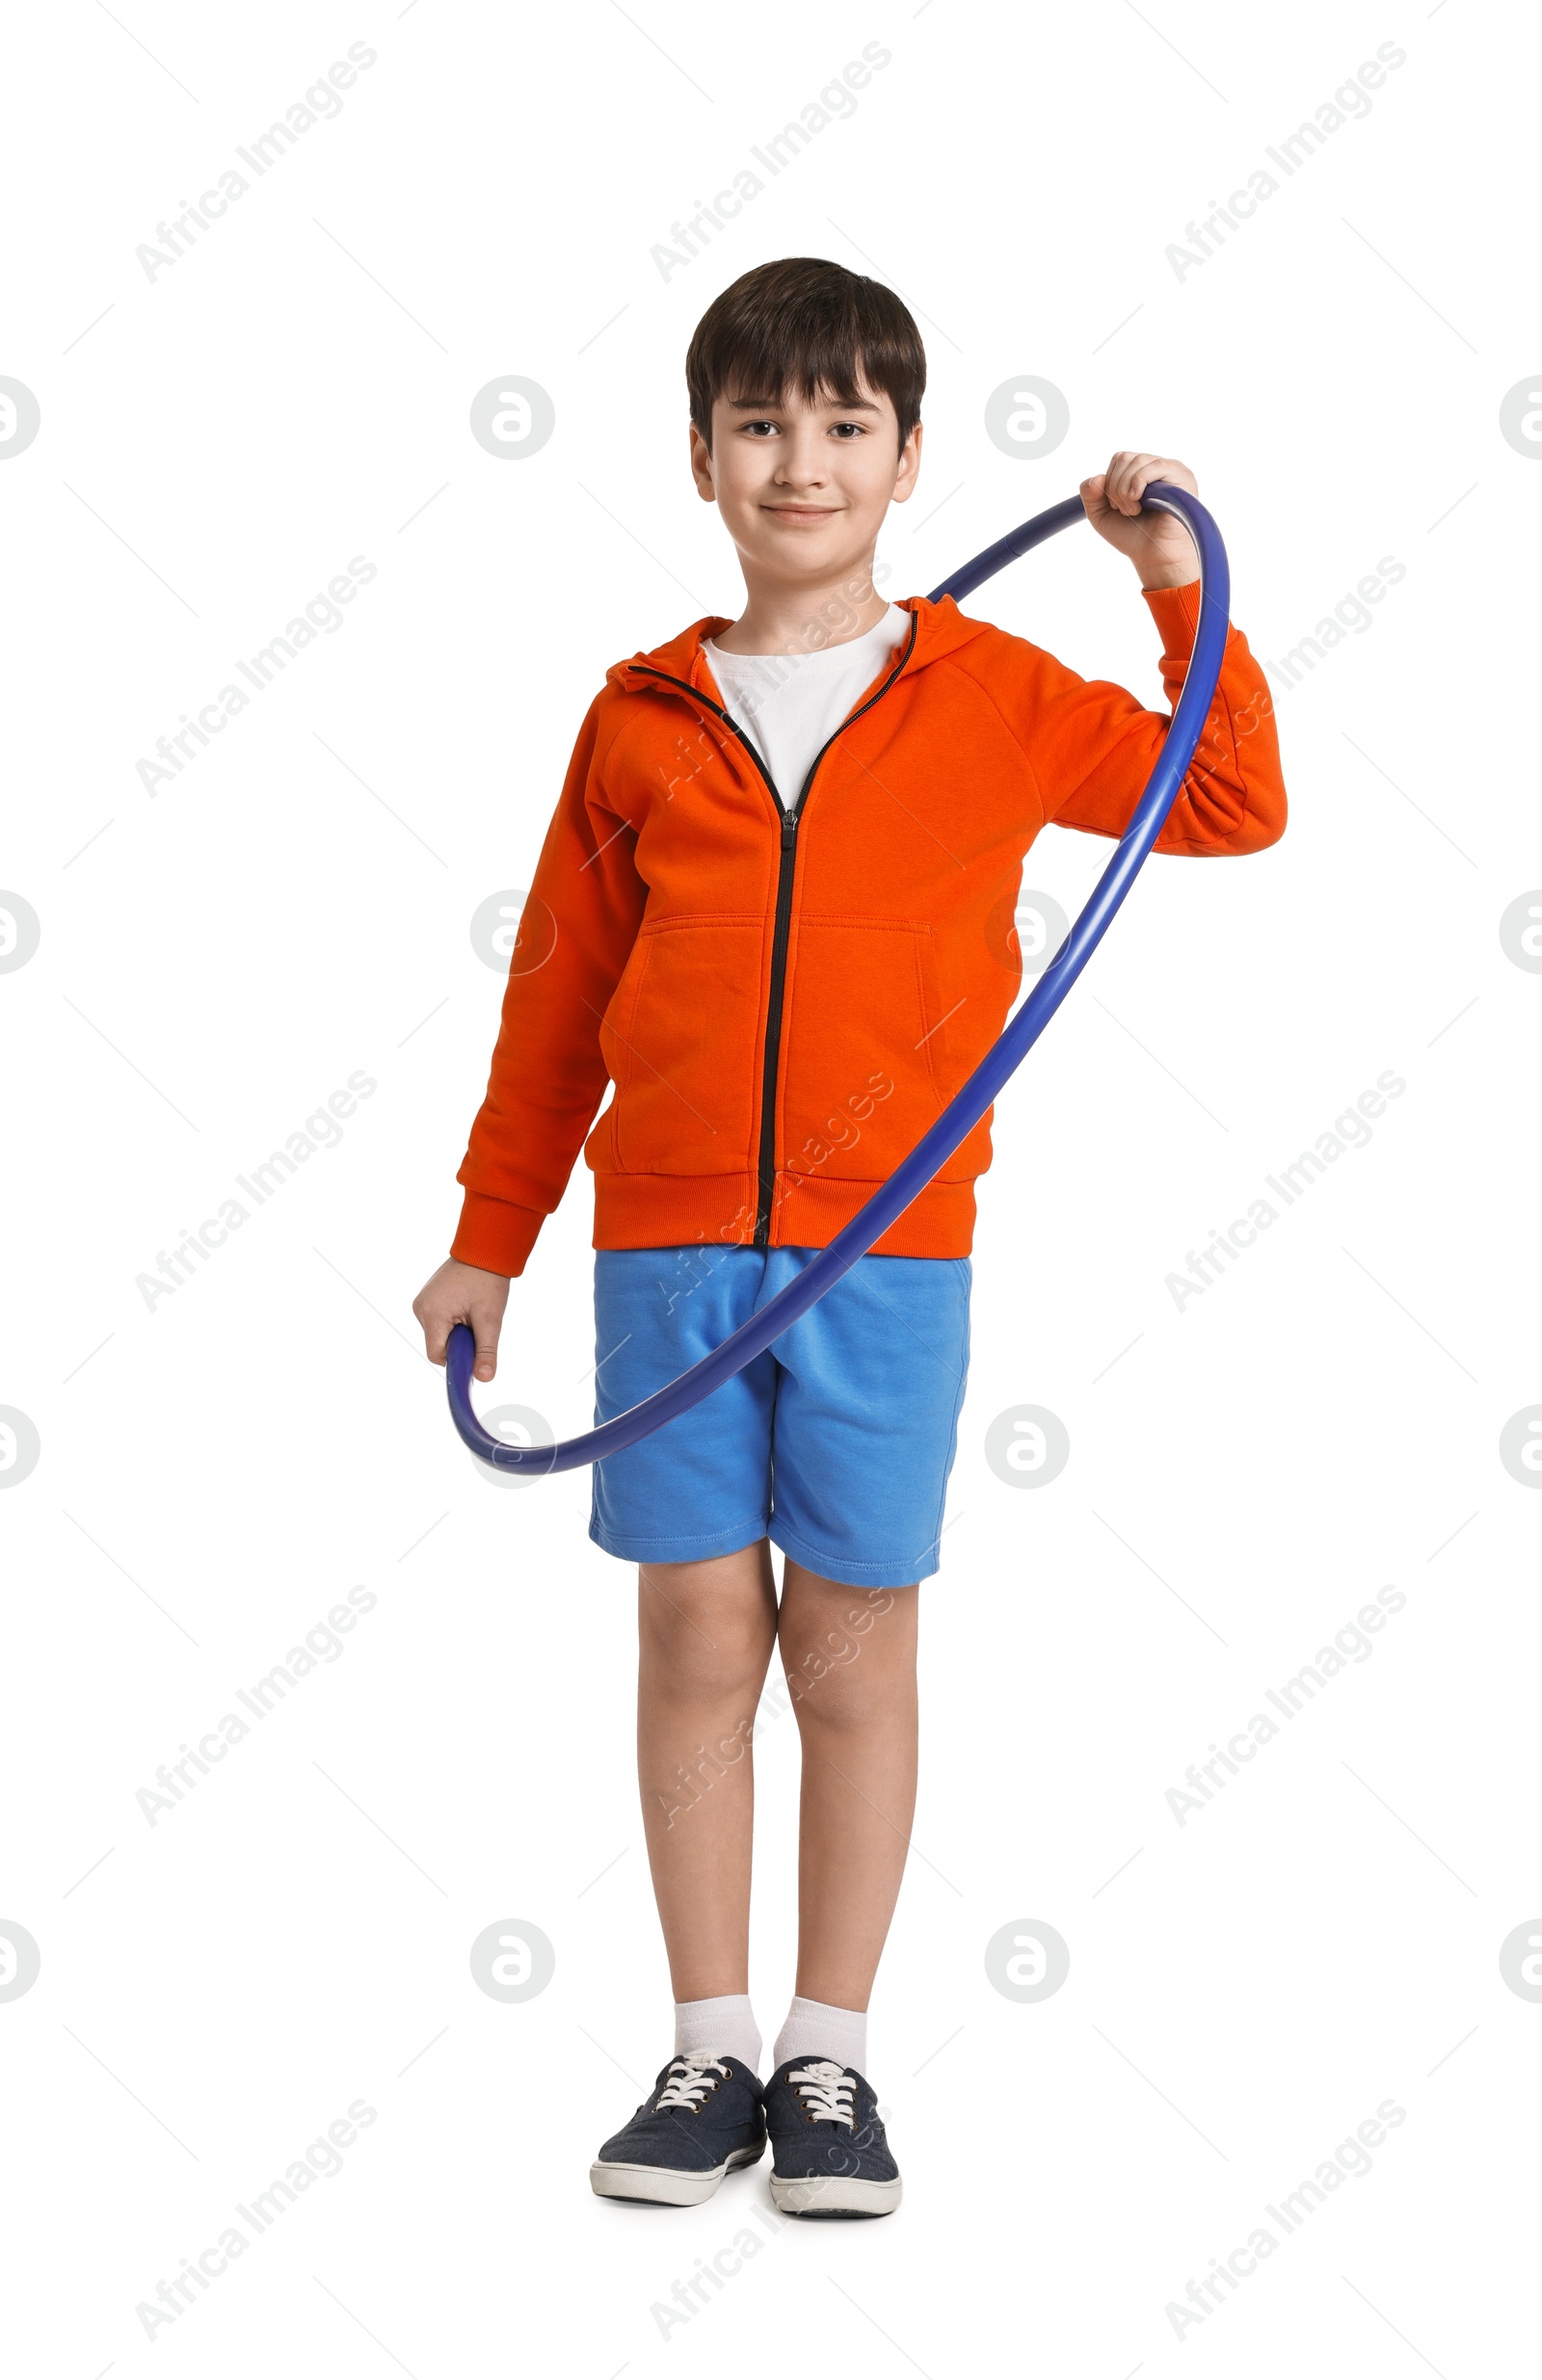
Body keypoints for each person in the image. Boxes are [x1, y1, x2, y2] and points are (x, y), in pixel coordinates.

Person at [412, 256, 1288, 2216]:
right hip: (661, 1250)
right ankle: (706, 2039)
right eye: (757, 423)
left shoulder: (992, 698)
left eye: (838, 424)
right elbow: (555, 996)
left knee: (853, 1644)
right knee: (696, 1627)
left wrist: (1160, 573)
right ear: (701, 461)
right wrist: (489, 1233)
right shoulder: (637, 715)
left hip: (889, 1252)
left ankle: (831, 2057)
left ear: (904, 461)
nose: (796, 459)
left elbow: (1226, 794)